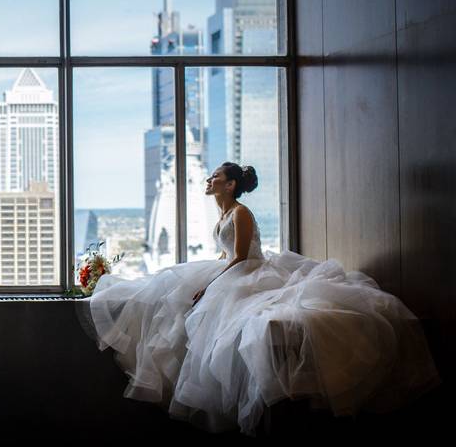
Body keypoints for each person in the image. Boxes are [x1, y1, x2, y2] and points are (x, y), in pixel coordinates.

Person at [76, 162, 442, 436]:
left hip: (249, 272)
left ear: (231, 184)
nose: (209, 180)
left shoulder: (241, 212)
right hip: (232, 269)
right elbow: (225, 256)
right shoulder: (223, 213)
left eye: (215, 176)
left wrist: (212, 284)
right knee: (169, 290)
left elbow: (240, 257)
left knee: (222, 313)